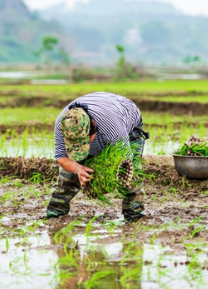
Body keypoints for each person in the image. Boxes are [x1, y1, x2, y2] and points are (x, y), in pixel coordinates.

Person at [46, 92, 148, 222]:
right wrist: (78, 169)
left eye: (84, 142)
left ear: (94, 127)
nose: (81, 148)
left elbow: (125, 163)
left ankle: (135, 217)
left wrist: (103, 179)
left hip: (126, 118)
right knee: (67, 176)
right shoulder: (64, 125)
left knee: (130, 178)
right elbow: (61, 158)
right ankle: (54, 215)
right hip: (102, 107)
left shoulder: (111, 128)